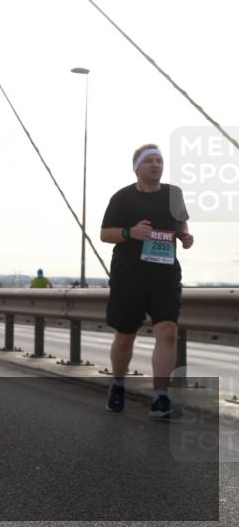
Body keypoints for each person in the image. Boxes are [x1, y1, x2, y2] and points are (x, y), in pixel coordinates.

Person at [100, 144, 193, 419]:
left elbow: (181, 224)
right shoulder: (122, 198)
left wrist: (185, 236)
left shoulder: (173, 194)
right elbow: (105, 234)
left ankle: (160, 398)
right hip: (129, 275)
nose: (156, 165)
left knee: (167, 331)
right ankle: (118, 385)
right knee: (126, 334)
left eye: (159, 160)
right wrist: (131, 232)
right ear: (138, 167)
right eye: (150, 161)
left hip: (165, 275)